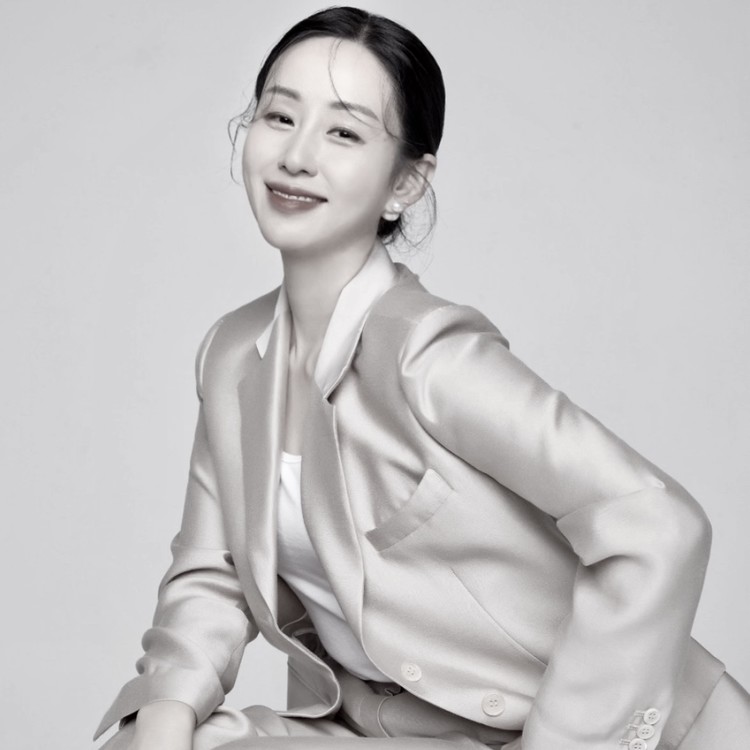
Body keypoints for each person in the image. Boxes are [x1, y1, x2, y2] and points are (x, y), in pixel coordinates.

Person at [93, 6, 750, 750]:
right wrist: (162, 725)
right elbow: (211, 575)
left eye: (343, 133)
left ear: (405, 183)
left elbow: (658, 524)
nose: (297, 155)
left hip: (569, 727)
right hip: (381, 725)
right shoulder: (233, 353)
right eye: (280, 116)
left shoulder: (429, 355)